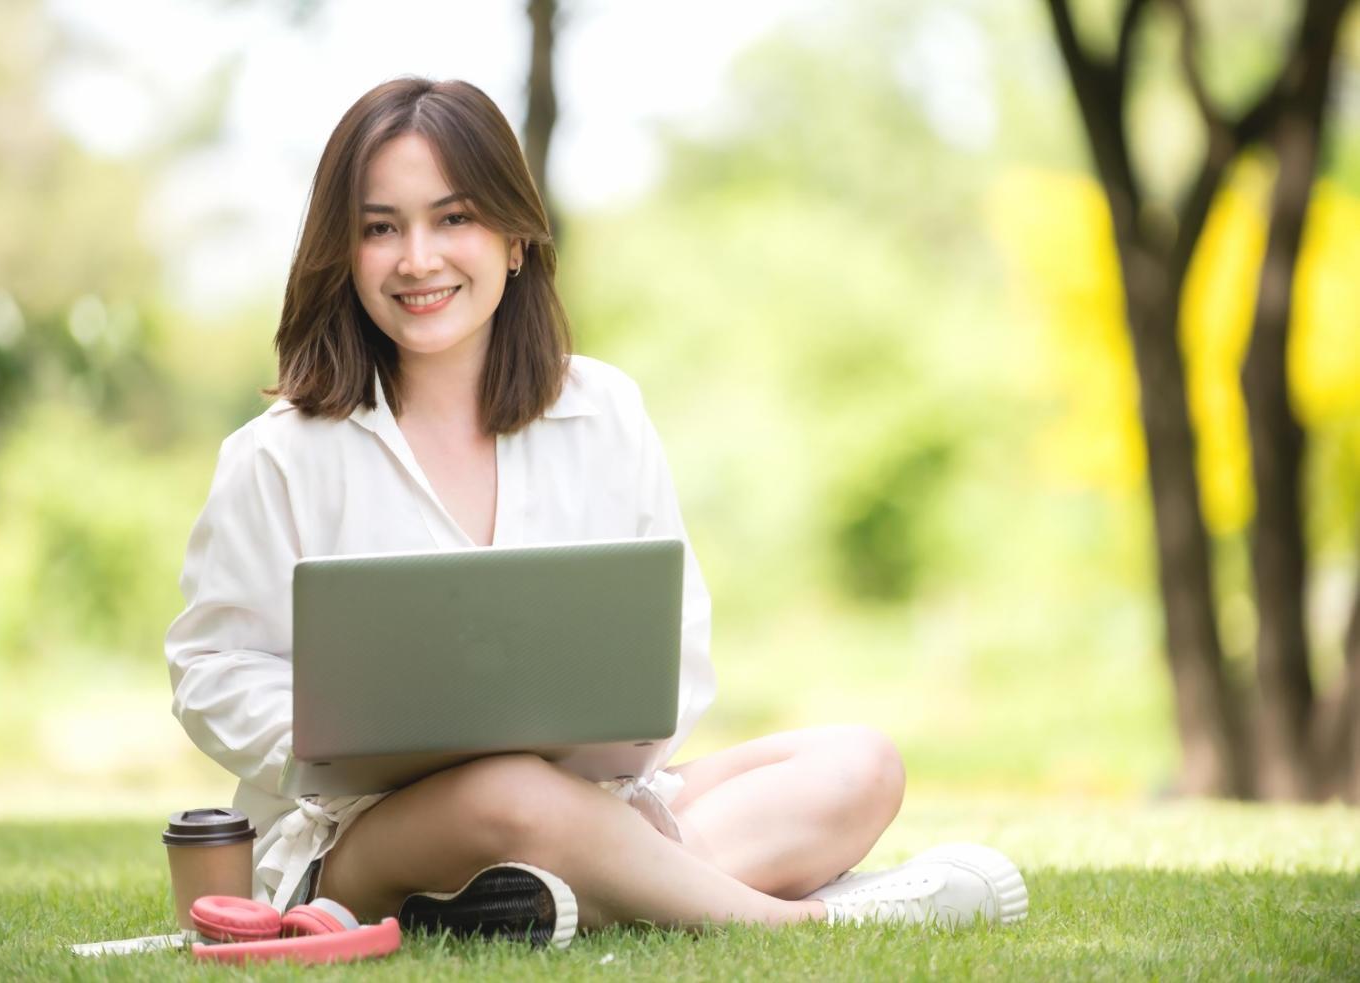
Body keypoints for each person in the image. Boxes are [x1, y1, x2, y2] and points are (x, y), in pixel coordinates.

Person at [165, 77, 1026, 947]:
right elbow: (211, 664)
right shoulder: (279, 452)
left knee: (859, 762)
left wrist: (596, 771)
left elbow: (670, 643)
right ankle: (799, 920)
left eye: (453, 218)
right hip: (365, 833)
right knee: (506, 791)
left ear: (513, 239)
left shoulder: (604, 408)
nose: (417, 257)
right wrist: (339, 741)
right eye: (380, 227)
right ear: (342, 253)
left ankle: (539, 894)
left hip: (592, 800)